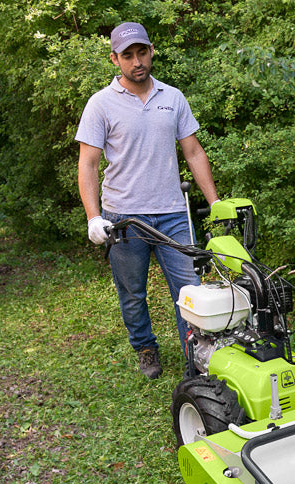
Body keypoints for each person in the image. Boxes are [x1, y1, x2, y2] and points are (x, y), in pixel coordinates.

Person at [76, 21, 218, 379]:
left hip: (172, 213)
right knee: (132, 292)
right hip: (123, 217)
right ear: (115, 59)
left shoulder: (173, 97)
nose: (136, 61)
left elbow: (194, 152)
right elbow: (88, 164)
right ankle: (145, 348)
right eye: (128, 55)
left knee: (189, 290)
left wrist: (215, 203)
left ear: (151, 51)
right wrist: (94, 217)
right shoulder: (100, 104)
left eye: (142, 52)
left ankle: (195, 357)